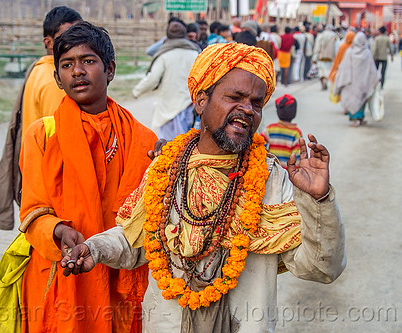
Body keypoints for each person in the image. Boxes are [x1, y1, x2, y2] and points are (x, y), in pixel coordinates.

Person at [63, 42, 346, 332]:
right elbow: (134, 241)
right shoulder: (165, 167)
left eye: (256, 102)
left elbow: (321, 269)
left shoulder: (272, 179)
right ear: (201, 101)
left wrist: (319, 200)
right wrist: (94, 248)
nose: (247, 110)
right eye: (234, 97)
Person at [0, 22, 157, 333]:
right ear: (57, 78)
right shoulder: (42, 135)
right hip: (58, 273)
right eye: (67, 64)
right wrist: (58, 230)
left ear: (110, 69)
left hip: (115, 275)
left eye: (88, 61)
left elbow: (144, 217)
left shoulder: (142, 139)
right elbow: (33, 210)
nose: (78, 71)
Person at [0, 6, 82, 230]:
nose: (78, 40)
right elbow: (63, 140)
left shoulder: (39, 68)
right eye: (69, 35)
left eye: (81, 33)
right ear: (48, 42)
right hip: (51, 182)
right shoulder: (55, 80)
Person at [133, 18, 199, 140]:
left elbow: (152, 79)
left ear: (167, 35)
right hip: (189, 105)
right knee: (186, 144)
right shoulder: (194, 53)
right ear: (184, 34)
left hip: (169, 108)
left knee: (169, 146)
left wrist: (137, 91)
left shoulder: (164, 54)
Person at [334, 32, 380, 127]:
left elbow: (344, 67)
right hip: (364, 82)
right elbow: (372, 68)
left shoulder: (350, 52)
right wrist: (376, 78)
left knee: (353, 100)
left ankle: (356, 120)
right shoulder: (367, 53)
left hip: (351, 82)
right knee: (362, 100)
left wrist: (342, 79)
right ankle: (361, 118)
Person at [261, 94, 302, 169]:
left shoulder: (270, 129)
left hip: (271, 170)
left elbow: (259, 146)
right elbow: (298, 159)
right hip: (288, 174)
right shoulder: (296, 133)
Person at [328, 30, 355, 109]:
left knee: (343, 90)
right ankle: (349, 106)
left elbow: (337, 59)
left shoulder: (342, 46)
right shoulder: (354, 47)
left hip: (342, 72)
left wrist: (334, 70)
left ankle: (345, 108)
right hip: (352, 72)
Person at [313, 25, 337, 90]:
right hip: (330, 58)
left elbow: (317, 48)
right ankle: (326, 82)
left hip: (321, 57)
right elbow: (336, 48)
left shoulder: (321, 36)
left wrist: (315, 57)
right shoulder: (334, 36)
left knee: (321, 72)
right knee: (328, 72)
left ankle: (322, 84)